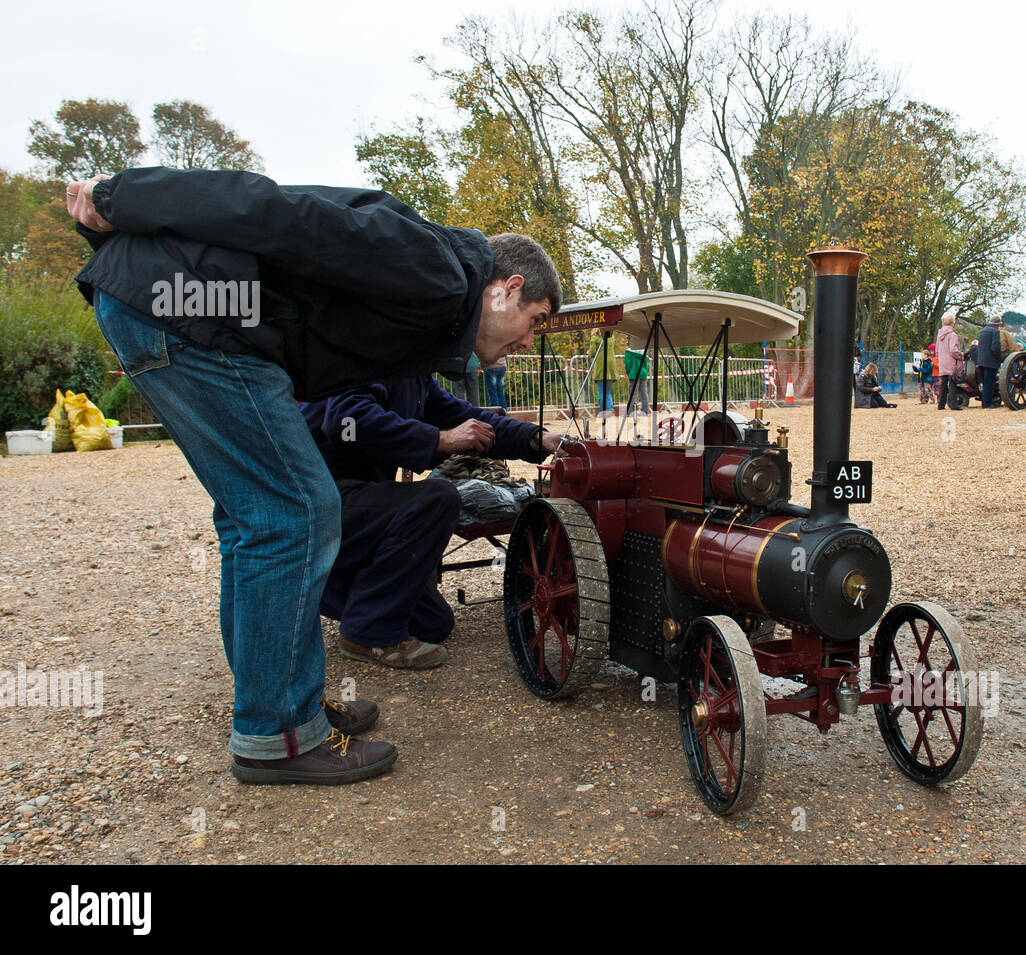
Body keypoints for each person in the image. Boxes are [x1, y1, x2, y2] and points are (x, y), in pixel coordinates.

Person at [66, 167, 561, 785]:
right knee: (294, 513)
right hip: (194, 319)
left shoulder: (427, 314)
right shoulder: (433, 269)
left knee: (256, 520)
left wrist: (531, 437)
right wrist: (121, 197)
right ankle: (276, 734)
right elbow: (276, 209)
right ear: (506, 290)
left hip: (168, 310)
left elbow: (435, 404)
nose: (530, 341)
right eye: (535, 320)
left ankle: (284, 707)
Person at [300, 378, 561, 668]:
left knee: (433, 624)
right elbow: (346, 420)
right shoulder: (371, 354)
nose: (526, 342)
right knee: (437, 499)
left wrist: (537, 438)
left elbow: (468, 418)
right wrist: (442, 439)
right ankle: (367, 632)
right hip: (316, 497)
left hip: (355, 499)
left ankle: (334, 593)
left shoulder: (416, 376)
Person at [936, 311, 963, 411]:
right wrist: (961, 356)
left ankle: (941, 404)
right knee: (952, 383)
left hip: (942, 362)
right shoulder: (952, 335)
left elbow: (937, 350)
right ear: (953, 322)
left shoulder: (939, 335)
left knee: (943, 384)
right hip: (950, 362)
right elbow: (953, 350)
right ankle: (953, 404)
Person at [976, 315, 1003, 408]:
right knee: (990, 383)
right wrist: (1000, 358)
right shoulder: (995, 332)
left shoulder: (982, 331)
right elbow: (995, 347)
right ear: (997, 324)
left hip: (981, 360)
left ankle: (984, 402)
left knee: (985, 382)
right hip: (991, 361)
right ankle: (987, 403)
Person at [624, 346, 650, 415]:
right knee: (643, 393)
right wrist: (644, 372)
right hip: (642, 374)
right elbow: (645, 364)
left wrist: (629, 372)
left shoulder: (629, 352)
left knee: (632, 394)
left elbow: (627, 364)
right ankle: (645, 410)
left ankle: (631, 411)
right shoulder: (643, 350)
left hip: (633, 374)